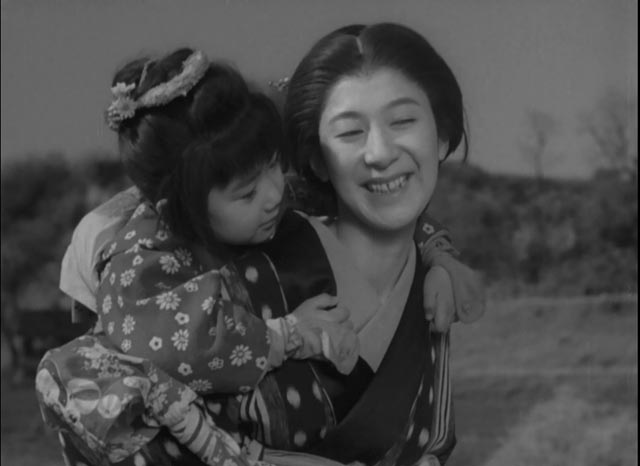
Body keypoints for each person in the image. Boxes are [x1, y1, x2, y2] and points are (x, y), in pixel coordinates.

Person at [38, 21, 483, 465]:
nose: (380, 153)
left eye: (404, 120)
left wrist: (439, 253)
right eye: (351, 132)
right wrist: (284, 337)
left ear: (441, 132)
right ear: (314, 154)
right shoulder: (182, 265)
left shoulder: (301, 225)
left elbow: (431, 439)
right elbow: (177, 357)